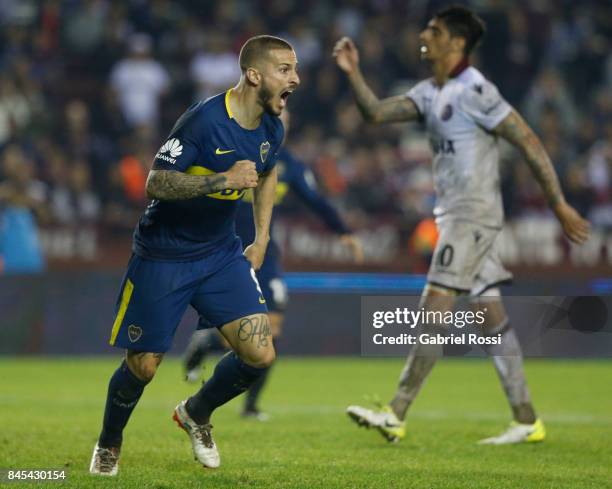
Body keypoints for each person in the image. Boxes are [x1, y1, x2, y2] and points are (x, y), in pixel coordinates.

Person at [333, 6, 590, 445]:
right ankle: (527, 419)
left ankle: (396, 412)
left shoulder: (477, 90)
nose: (424, 34)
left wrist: (559, 204)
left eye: (434, 30)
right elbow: (375, 113)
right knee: (491, 317)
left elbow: (527, 139)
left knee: (434, 309)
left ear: (455, 42)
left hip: (472, 216)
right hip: (455, 215)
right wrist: (354, 73)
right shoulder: (430, 92)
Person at [89, 35, 299, 476]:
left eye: (294, 69)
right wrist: (220, 179)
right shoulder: (203, 122)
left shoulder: (271, 126)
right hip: (163, 253)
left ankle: (196, 412)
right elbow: (157, 183)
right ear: (253, 75)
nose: (294, 79)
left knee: (260, 355)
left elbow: (267, 171)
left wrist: (261, 238)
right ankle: (109, 442)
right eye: (284, 70)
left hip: (219, 254)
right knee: (143, 366)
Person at [183, 109, 364, 420]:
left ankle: (250, 406)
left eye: (286, 120)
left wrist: (343, 232)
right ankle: (208, 343)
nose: (281, 123)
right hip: (225, 250)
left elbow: (315, 201)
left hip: (265, 253)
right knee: (238, 336)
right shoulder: (231, 151)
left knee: (271, 330)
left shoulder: (290, 165)